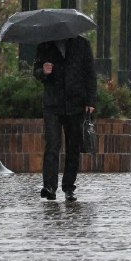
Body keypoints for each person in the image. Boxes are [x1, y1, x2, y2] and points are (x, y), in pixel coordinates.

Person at [33, 35, 96, 202]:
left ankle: (69, 187)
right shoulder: (45, 45)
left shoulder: (82, 44)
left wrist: (90, 100)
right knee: (52, 145)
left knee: (73, 148)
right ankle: (49, 187)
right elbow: (36, 71)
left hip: (76, 104)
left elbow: (90, 73)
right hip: (52, 105)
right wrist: (43, 71)